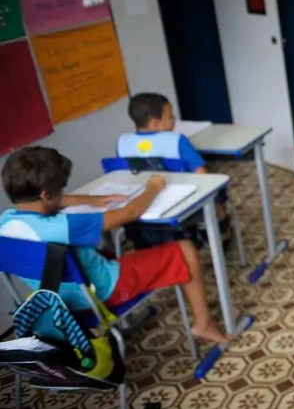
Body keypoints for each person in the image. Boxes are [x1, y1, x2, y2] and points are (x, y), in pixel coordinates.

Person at [0, 147, 230, 343]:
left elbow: (54, 202)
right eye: (61, 188)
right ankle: (204, 324)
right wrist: (155, 186)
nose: (64, 192)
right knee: (185, 249)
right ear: (45, 194)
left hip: (60, 303)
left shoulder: (6, 223)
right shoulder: (64, 226)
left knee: (105, 251)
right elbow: (132, 212)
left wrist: (91, 200)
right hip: (103, 291)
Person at [117, 92, 231, 247]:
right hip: (179, 205)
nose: (174, 119)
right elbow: (202, 175)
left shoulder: (123, 143)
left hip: (142, 206)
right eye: (170, 116)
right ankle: (221, 233)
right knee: (217, 190)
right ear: (155, 123)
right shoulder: (177, 140)